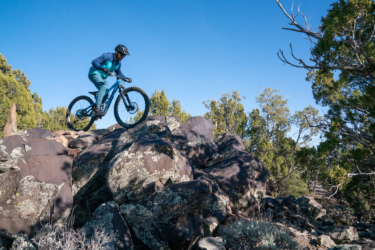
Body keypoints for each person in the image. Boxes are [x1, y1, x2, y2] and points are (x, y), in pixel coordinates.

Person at [88, 44, 132, 117]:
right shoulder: (107, 56)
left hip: (103, 78)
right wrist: (102, 68)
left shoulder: (118, 63)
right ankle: (97, 109)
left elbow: (119, 73)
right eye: (121, 54)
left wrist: (125, 78)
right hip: (94, 73)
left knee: (107, 92)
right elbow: (94, 62)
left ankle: (98, 102)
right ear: (116, 52)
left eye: (124, 55)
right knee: (103, 87)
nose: (122, 57)